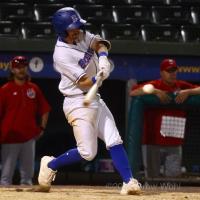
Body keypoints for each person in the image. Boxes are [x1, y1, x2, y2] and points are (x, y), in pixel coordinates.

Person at [37, 7, 141, 195]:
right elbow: (84, 82)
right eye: (73, 27)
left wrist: (102, 59)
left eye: (78, 25)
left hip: (94, 98)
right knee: (88, 152)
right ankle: (51, 164)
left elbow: (100, 43)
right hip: (77, 102)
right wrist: (97, 78)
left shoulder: (82, 34)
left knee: (114, 139)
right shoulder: (61, 54)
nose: (77, 29)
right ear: (62, 30)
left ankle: (129, 181)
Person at [129, 58, 200, 178]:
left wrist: (188, 91)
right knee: (152, 177)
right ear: (162, 73)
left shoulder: (181, 85)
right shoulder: (156, 84)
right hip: (152, 141)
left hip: (174, 140)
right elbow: (133, 92)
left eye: (174, 71)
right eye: (169, 71)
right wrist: (156, 92)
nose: (172, 74)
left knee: (173, 178)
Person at [0, 56, 51, 186]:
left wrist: (42, 128)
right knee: (5, 178)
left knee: (27, 179)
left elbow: (45, 109)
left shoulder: (33, 88)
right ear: (12, 70)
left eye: (23, 66)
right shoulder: (5, 89)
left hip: (29, 137)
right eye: (18, 67)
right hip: (9, 137)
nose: (21, 69)